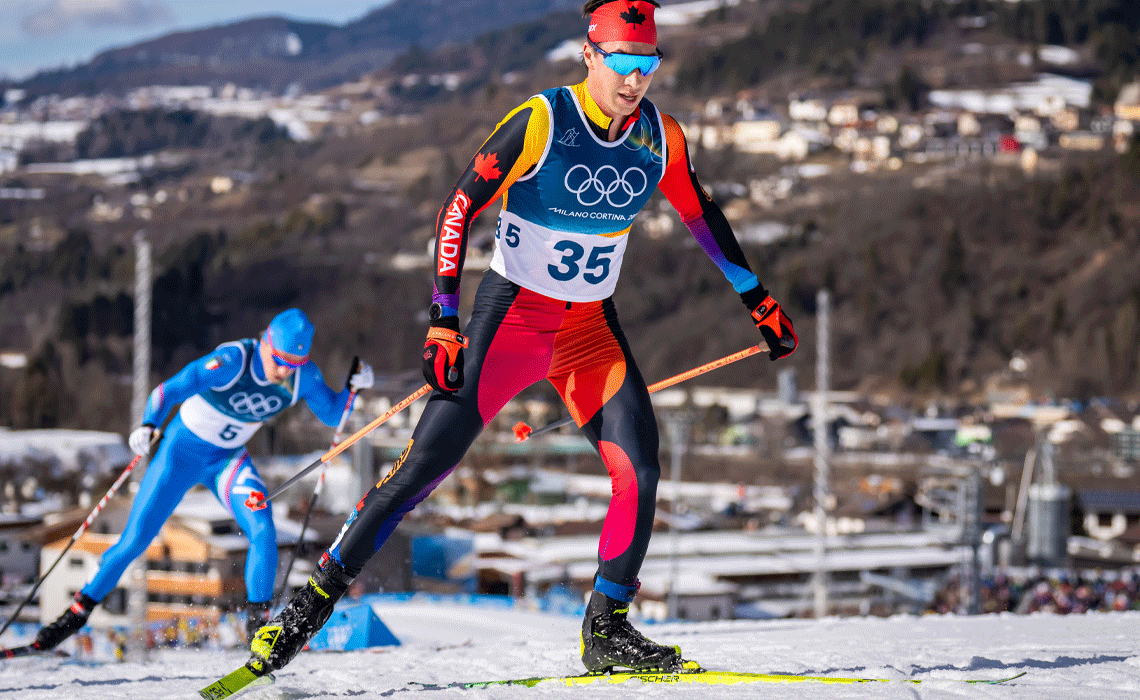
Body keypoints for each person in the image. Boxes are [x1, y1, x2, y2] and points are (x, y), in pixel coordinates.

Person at [248, 0, 796, 678]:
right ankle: (304, 612)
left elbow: (701, 215)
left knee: (640, 472)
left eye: (648, 66)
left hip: (591, 330)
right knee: (418, 472)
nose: (636, 81)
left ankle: (607, 629)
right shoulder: (543, 121)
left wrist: (758, 299)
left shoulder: (661, 136)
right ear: (591, 55)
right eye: (624, 64)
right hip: (510, 323)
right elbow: (459, 207)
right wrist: (443, 317)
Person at [32, 308, 374, 651]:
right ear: (266, 342)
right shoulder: (232, 361)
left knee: (263, 529)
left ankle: (260, 632)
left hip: (226, 459)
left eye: (295, 364)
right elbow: (167, 391)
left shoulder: (302, 377)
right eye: (281, 360)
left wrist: (353, 388)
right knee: (135, 540)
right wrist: (149, 424)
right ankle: (74, 616)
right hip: (179, 455)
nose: (284, 371)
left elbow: (332, 414)